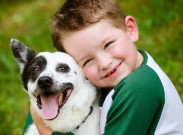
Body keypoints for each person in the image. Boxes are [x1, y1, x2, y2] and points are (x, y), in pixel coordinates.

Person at [23, 0, 183, 134]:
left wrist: (45, 129)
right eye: (87, 61)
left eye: (108, 44)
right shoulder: (106, 81)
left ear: (130, 29)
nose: (104, 63)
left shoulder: (138, 88)